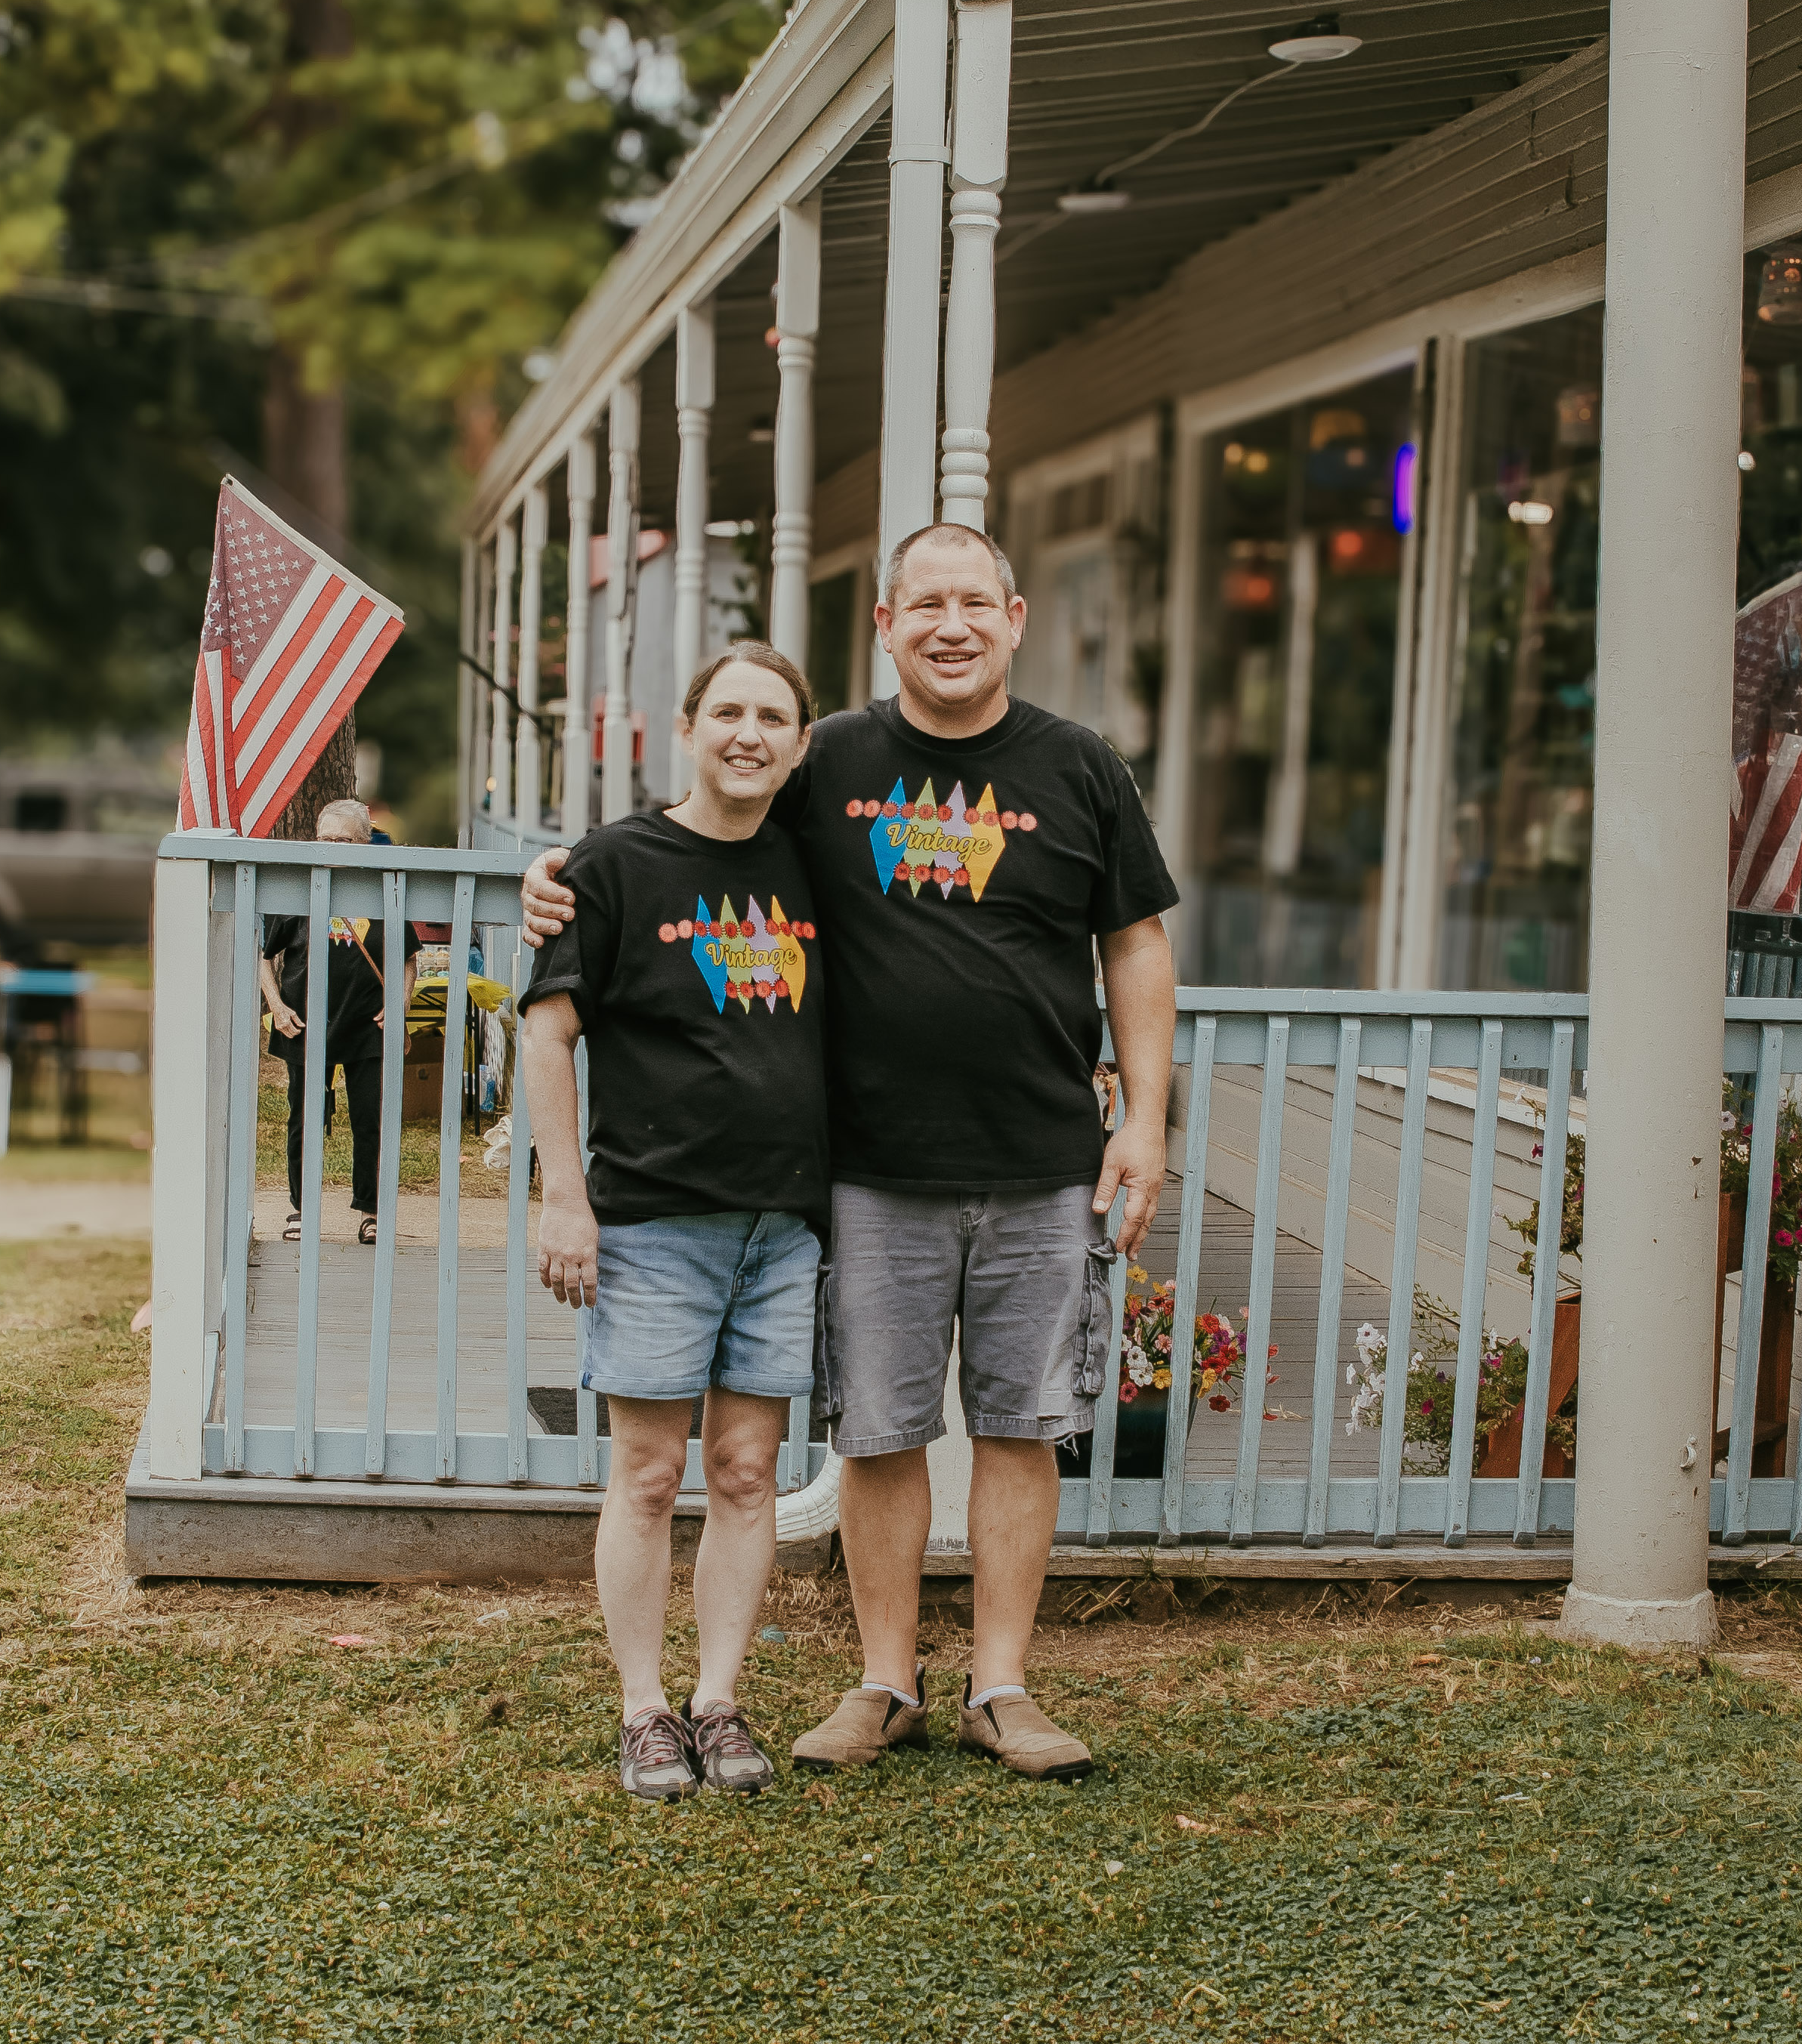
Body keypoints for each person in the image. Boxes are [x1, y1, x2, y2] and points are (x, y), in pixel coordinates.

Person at [523, 522, 1175, 1781]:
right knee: (876, 1433)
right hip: (866, 1170)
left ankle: (1001, 1685)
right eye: (921, 602)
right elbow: (700, 824)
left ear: (1015, 615)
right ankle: (884, 1681)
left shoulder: (1082, 766)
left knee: (1019, 1424)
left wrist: (1143, 1115)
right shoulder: (828, 763)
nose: (949, 623)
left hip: (1041, 1156)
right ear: (882, 624)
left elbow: (1135, 944)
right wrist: (560, 876)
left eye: (972, 602)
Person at [521, 646, 828, 1803]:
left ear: (801, 746)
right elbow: (548, 1033)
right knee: (649, 1474)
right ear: (687, 726)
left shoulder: (815, 867)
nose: (749, 734)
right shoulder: (609, 867)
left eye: (774, 718)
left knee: (750, 1471)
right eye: (729, 712)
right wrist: (565, 1197)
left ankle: (719, 1699)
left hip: (784, 1224)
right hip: (655, 1220)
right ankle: (644, 1710)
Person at [260, 798, 387, 1243]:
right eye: (326, 839)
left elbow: (408, 958)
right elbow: (263, 956)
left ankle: (372, 1211)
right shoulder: (297, 888)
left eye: (344, 840)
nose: (333, 848)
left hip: (367, 1024)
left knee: (369, 1120)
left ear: (365, 843)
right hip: (306, 1025)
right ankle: (300, 1209)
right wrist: (276, 1006)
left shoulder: (381, 888)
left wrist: (401, 1003)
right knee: (304, 1118)